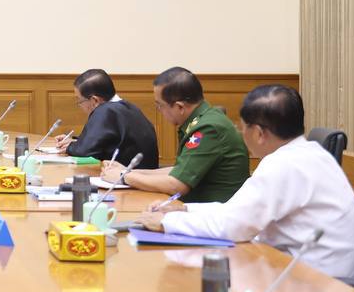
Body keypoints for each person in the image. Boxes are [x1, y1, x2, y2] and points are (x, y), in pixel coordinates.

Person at [137, 85, 354, 280]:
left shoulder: (283, 165)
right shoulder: (309, 153)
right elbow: (237, 212)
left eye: (242, 127)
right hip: (318, 276)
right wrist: (185, 209)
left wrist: (167, 223)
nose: (241, 133)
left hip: (317, 285)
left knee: (202, 280)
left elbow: (232, 226)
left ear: (258, 133)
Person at [101, 66, 248, 203]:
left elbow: (177, 185)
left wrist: (123, 177)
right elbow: (179, 171)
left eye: (159, 105)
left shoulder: (208, 129)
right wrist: (127, 171)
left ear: (180, 107)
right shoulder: (201, 120)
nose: (159, 110)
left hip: (213, 214)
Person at [55, 69, 159, 167]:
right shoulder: (128, 107)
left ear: (95, 100)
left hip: (128, 176)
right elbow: (104, 140)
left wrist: (70, 147)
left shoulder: (105, 110)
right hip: (143, 173)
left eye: (79, 100)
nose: (79, 105)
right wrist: (76, 142)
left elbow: (85, 151)